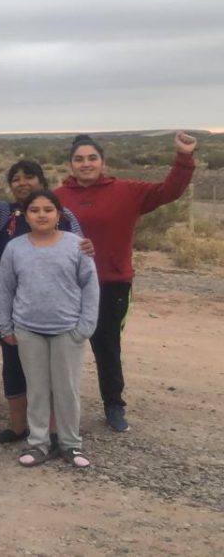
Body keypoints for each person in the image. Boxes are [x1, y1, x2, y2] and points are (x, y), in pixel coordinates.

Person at [54, 132, 197, 433]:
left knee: (107, 346)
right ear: (71, 164)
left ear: (103, 162)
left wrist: (184, 158)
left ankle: (113, 405)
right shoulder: (57, 198)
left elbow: (169, 191)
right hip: (67, 286)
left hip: (111, 282)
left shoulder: (127, 191)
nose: (86, 164)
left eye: (92, 158)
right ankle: (60, 407)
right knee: (62, 346)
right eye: (79, 159)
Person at [0, 159, 89, 442]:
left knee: (51, 374)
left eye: (29, 177)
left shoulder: (64, 215)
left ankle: (53, 431)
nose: (22, 182)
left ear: (42, 181)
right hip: (15, 310)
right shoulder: (3, 213)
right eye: (16, 178)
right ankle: (17, 426)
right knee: (14, 368)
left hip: (57, 309)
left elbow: (82, 261)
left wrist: (84, 319)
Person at [0, 190, 99, 468]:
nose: (41, 215)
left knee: (67, 389)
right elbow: (5, 290)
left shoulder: (77, 245)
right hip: (29, 330)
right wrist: (5, 325)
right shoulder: (15, 248)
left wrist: (84, 328)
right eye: (34, 210)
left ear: (59, 215)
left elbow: (90, 287)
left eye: (47, 209)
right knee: (38, 390)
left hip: (68, 330)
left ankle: (70, 444)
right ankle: (38, 443)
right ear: (25, 215)